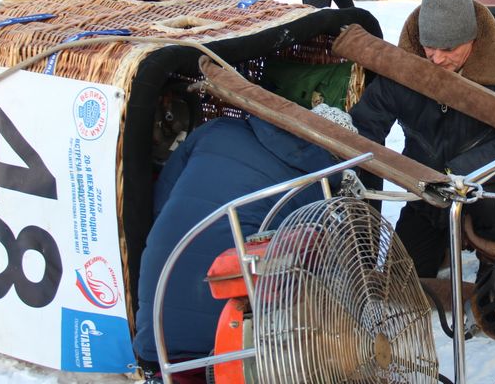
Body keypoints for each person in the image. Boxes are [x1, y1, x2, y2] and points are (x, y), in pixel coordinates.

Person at [132, 104, 356, 382]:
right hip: (229, 343)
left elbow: (161, 197)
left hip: (157, 315)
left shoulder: (219, 129)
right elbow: (319, 275)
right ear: (339, 154)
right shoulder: (320, 189)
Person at [349, 0, 495, 279]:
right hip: (426, 193)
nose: (437, 59)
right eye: (429, 47)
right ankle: (441, 242)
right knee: (404, 281)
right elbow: (367, 123)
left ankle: (492, 257)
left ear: (473, 39)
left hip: (487, 188)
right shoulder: (405, 65)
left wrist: (460, 171)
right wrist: (355, 161)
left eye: (449, 49)